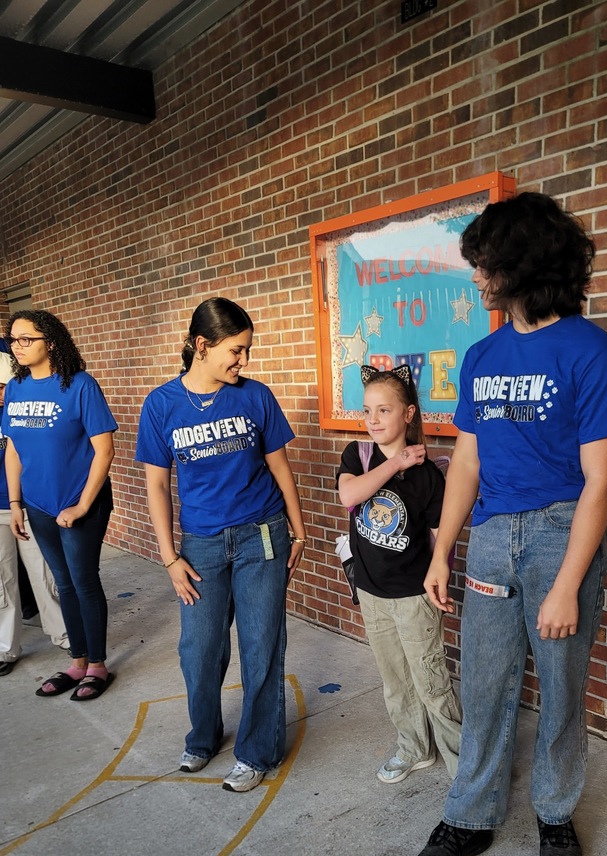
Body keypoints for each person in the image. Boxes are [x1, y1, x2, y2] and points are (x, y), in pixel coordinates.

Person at [411, 192, 607, 856]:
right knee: (483, 681)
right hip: (491, 535)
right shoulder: (481, 355)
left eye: (484, 263)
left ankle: (556, 811)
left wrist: (568, 583)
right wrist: (443, 547)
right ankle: (470, 812)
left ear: (520, 264)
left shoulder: (594, 353)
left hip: (560, 535)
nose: (477, 277)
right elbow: (468, 462)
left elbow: (601, 482)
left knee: (562, 686)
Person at [136, 297, 306, 793]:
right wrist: (169, 557)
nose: (244, 362)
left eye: (247, 351)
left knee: (261, 647)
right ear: (202, 345)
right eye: (237, 350)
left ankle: (256, 752)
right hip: (201, 547)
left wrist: (298, 530)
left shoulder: (255, 397)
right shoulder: (161, 404)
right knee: (200, 649)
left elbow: (279, 466)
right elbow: (156, 486)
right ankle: (203, 736)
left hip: (262, 538)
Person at [337, 364, 462, 784]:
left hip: (413, 597)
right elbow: (350, 495)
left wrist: (441, 578)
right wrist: (396, 462)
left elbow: (438, 538)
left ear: (408, 415)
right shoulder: (358, 455)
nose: (372, 420)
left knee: (431, 683)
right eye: (368, 410)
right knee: (395, 683)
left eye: (384, 410)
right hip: (372, 592)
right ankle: (414, 748)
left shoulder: (428, 476)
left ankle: (464, 766)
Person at [3, 311, 117, 700]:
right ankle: (78, 661)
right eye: (12, 340)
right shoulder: (16, 388)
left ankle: (98, 664)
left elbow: (105, 451)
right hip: (37, 504)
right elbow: (13, 449)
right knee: (63, 582)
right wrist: (16, 502)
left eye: (25, 339)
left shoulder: (80, 385)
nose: (16, 347)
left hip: (78, 502)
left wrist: (83, 506)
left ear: (50, 342)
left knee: (84, 582)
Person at [0, 351, 69, 673]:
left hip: (29, 502)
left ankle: (66, 635)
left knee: (44, 573)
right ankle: (5, 649)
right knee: (2, 579)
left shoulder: (22, 407)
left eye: (3, 386)